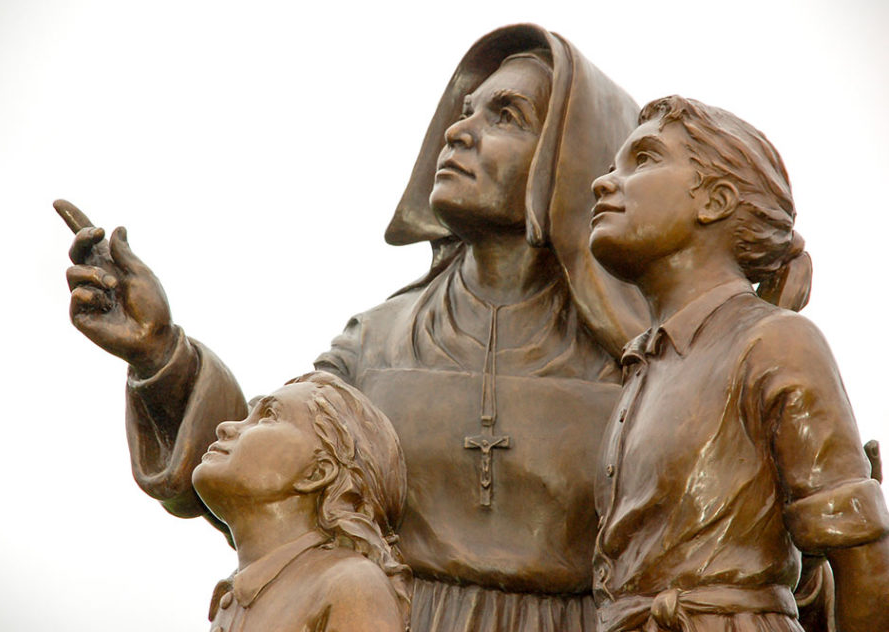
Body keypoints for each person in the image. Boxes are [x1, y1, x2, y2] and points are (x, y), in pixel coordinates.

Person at [64, 24, 646, 632]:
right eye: (466, 111)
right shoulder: (378, 340)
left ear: (575, 160)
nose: (459, 131)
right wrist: (162, 357)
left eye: (506, 116)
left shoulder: (642, 353)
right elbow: (273, 474)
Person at [588, 95, 889, 632]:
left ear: (717, 200)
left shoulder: (776, 342)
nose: (603, 183)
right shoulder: (643, 365)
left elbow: (862, 554)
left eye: (644, 159)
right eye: (614, 166)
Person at [191, 371, 409, 632]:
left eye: (269, 415)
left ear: (317, 472)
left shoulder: (353, 585)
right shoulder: (231, 600)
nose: (225, 427)